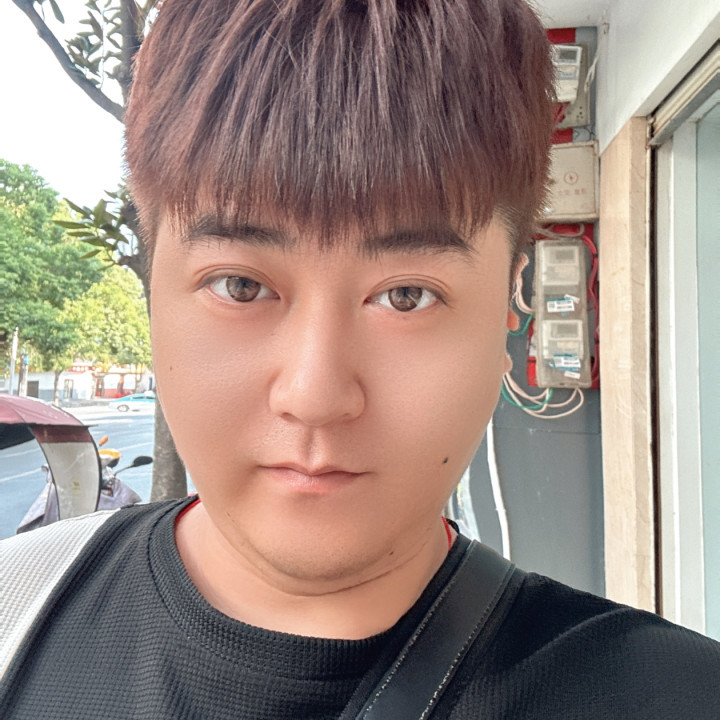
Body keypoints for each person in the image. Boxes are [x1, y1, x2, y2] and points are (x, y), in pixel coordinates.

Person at [1, 0, 719, 717]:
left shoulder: (675, 696)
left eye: (406, 296)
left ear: (511, 301)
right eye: (240, 286)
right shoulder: (14, 610)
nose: (314, 395)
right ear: (154, 291)